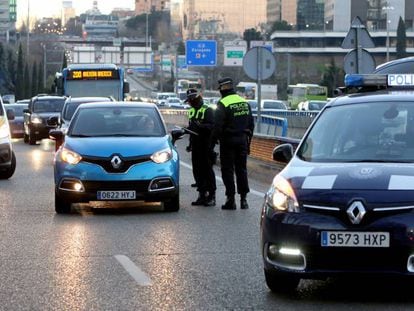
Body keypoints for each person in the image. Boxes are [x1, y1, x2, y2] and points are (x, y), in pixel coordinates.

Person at [212, 77, 254, 210]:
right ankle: (244, 200)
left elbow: (217, 126)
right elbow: (251, 124)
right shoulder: (244, 102)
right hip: (242, 140)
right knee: (241, 169)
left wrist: (212, 143)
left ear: (222, 89)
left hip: (228, 141)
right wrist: (248, 143)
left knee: (228, 170)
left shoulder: (223, 103)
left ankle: (231, 199)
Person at [185, 88, 216, 206]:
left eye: (190, 100)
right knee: (197, 170)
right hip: (196, 144)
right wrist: (189, 143)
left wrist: (200, 126)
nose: (188, 102)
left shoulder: (207, 110)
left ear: (195, 99)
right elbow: (191, 127)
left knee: (207, 170)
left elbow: (212, 126)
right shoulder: (192, 111)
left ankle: (211, 196)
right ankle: (202, 194)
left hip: (206, 144)